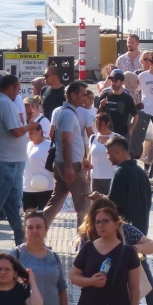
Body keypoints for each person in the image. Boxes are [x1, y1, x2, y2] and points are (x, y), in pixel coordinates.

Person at [106, 136, 153, 305]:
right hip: (141, 225)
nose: (108, 157)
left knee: (135, 265)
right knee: (141, 263)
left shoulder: (120, 173)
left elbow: (115, 203)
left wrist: (100, 199)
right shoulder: (140, 172)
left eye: (109, 153)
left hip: (125, 228)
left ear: (118, 152)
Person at [43, 81, 91, 229]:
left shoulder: (64, 111)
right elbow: (66, 140)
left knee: (55, 203)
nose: (85, 97)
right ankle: (84, 238)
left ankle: (36, 229)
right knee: (84, 203)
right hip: (70, 164)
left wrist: (81, 159)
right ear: (73, 95)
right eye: (83, 94)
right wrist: (70, 166)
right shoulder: (68, 114)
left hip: (64, 162)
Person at [21, 124, 54, 212]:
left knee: (43, 216)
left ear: (40, 132)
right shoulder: (28, 145)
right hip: (27, 188)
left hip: (44, 188)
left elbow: (54, 166)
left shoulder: (50, 145)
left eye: (32, 133)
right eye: (28, 133)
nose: (29, 135)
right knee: (28, 216)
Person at [98, 70, 139, 141]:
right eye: (112, 81)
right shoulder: (106, 95)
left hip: (122, 134)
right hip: (107, 133)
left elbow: (135, 116)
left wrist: (130, 131)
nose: (113, 83)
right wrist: (101, 105)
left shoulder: (127, 98)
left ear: (122, 82)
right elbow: (98, 114)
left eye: (115, 81)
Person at [90, 113, 117, 196]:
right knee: (96, 203)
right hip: (95, 178)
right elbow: (89, 156)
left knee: (111, 202)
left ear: (108, 124)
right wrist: (88, 174)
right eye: (96, 125)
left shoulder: (116, 138)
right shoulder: (93, 138)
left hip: (111, 177)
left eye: (100, 125)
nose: (98, 127)